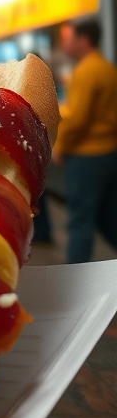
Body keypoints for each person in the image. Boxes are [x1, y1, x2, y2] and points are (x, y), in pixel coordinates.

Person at [52, 18, 117, 264]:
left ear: (84, 40)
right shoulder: (107, 68)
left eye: (70, 38)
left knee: (80, 223)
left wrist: (60, 147)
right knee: (109, 217)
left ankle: (77, 278)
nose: (66, 43)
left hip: (87, 158)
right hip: (109, 153)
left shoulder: (85, 71)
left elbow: (77, 119)